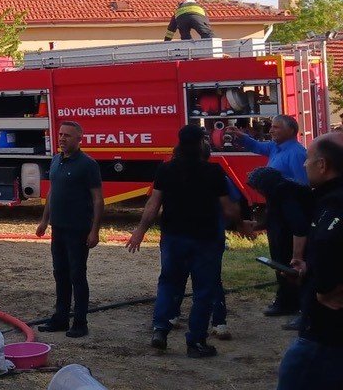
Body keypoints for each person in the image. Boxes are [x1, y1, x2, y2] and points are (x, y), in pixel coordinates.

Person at [127, 125, 253, 357]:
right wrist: (241, 224)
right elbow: (227, 208)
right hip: (205, 239)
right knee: (203, 290)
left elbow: (153, 204)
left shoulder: (165, 170)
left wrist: (140, 231)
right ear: (200, 144)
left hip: (173, 237)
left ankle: (160, 330)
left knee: (168, 283)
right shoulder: (213, 172)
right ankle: (195, 342)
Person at [276, 132, 343, 389]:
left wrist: (325, 287)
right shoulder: (324, 200)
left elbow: (328, 244)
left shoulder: (333, 205)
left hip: (325, 332)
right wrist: (307, 268)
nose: (304, 165)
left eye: (308, 159)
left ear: (323, 165)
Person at [232, 115, 308, 320]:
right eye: (271, 127)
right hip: (276, 208)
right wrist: (242, 137)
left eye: (276, 127)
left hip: (290, 210)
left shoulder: (297, 153)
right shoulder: (276, 147)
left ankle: (298, 304)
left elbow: (303, 187)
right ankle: (285, 300)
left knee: (287, 256)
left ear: (291, 131)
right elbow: (259, 147)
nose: (271, 130)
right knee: (277, 255)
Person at [35, 121, 104, 338]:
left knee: (77, 275)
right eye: (61, 134)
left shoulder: (88, 165)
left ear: (79, 139)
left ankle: (80, 322)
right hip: (59, 228)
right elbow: (51, 193)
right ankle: (61, 318)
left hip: (78, 229)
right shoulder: (56, 161)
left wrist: (95, 230)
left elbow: (98, 199)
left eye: (67, 136)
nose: (62, 138)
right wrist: (44, 221)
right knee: (60, 274)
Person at [247, 165, 312, 330]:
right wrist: (254, 226)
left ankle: (306, 314)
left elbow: (299, 227)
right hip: (281, 240)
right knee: (282, 272)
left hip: (293, 242)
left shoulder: (286, 193)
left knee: (299, 277)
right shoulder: (275, 193)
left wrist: (297, 256)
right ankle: (286, 303)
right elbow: (274, 217)